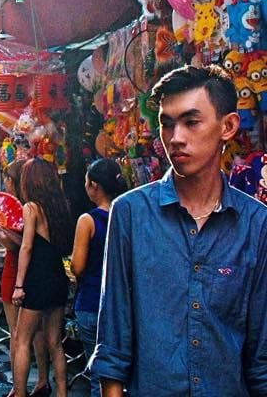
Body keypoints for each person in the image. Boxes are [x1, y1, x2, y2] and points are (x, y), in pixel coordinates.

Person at [90, 65, 267, 396]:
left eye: (191, 122)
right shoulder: (131, 213)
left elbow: (261, 356)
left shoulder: (256, 223)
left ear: (228, 126)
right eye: (166, 124)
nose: (175, 138)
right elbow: (113, 345)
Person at [11, 159, 73, 397]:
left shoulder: (31, 208)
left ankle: (19, 393)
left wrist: (19, 285)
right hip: (57, 276)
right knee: (55, 342)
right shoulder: (61, 206)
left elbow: (26, 248)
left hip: (37, 277)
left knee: (22, 339)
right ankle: (61, 393)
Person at [0, 159, 50, 397]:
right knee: (38, 333)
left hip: (18, 271)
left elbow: (18, 246)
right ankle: (41, 382)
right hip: (35, 272)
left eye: (8, 178)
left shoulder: (26, 209)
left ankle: (19, 389)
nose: (5, 182)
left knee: (19, 334)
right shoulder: (39, 207)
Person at [70, 158, 126, 397]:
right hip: (124, 306)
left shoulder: (88, 220)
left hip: (93, 303)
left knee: (99, 375)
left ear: (93, 185)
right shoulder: (128, 215)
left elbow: (77, 266)